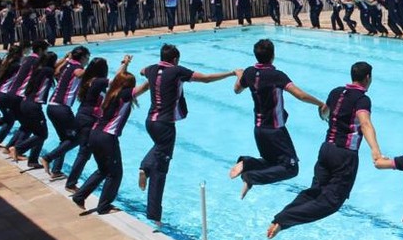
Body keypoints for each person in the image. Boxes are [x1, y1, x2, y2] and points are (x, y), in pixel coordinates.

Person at [267, 61, 383, 239]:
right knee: (332, 202)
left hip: (326, 149)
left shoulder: (336, 92)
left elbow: (324, 112)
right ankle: (283, 220)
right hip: (344, 155)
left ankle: (279, 220)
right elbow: (365, 122)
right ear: (368, 77)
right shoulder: (362, 99)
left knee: (314, 191)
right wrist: (375, 151)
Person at [139, 45, 240, 223]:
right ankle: (154, 216)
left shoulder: (152, 69)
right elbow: (206, 79)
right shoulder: (177, 71)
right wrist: (231, 73)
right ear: (176, 59)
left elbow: (142, 71)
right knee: (160, 171)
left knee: (158, 147)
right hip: (165, 125)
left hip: (150, 122)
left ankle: (145, 166)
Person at [229, 39, 327, 198]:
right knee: (291, 168)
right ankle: (250, 176)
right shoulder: (276, 76)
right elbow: (300, 95)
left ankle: (247, 163)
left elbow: (237, 90)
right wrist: (320, 103)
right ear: (273, 55)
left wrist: (240, 75)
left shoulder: (249, 72)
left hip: (259, 130)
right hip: (275, 131)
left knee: (272, 163)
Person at [72, 56, 141, 215]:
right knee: (115, 173)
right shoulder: (122, 95)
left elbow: (117, 79)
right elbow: (140, 89)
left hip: (95, 134)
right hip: (107, 137)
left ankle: (80, 196)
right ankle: (104, 206)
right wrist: (156, 79)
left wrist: (124, 64)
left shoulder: (110, 93)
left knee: (103, 170)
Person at [40, 46, 90, 179]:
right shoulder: (77, 68)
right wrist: (93, 70)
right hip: (62, 108)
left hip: (52, 106)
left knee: (65, 139)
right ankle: (48, 157)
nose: (88, 61)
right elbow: (79, 73)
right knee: (78, 138)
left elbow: (56, 72)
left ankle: (56, 170)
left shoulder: (66, 65)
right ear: (83, 57)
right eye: (87, 58)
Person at [64, 57, 111, 192]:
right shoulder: (99, 81)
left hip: (83, 116)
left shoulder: (88, 80)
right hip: (88, 119)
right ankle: (71, 183)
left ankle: (51, 159)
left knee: (83, 149)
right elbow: (119, 81)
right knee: (84, 153)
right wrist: (125, 65)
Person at [9, 51, 58, 169]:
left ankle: (33, 160)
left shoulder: (39, 69)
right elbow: (58, 71)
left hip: (25, 103)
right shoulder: (47, 71)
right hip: (33, 106)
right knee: (43, 134)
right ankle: (18, 148)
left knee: (38, 133)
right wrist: (67, 60)